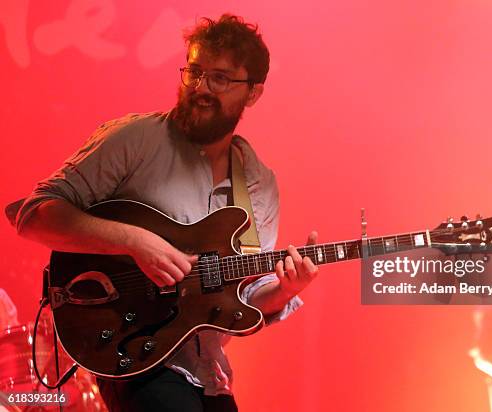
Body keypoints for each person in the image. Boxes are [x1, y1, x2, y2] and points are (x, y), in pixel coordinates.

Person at [14, 14, 318, 412]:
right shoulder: (134, 140)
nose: (201, 88)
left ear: (253, 93)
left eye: (221, 78)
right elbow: (34, 214)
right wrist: (136, 241)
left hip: (208, 373)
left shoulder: (260, 185)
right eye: (194, 71)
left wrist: (285, 291)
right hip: (132, 351)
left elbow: (239, 300)